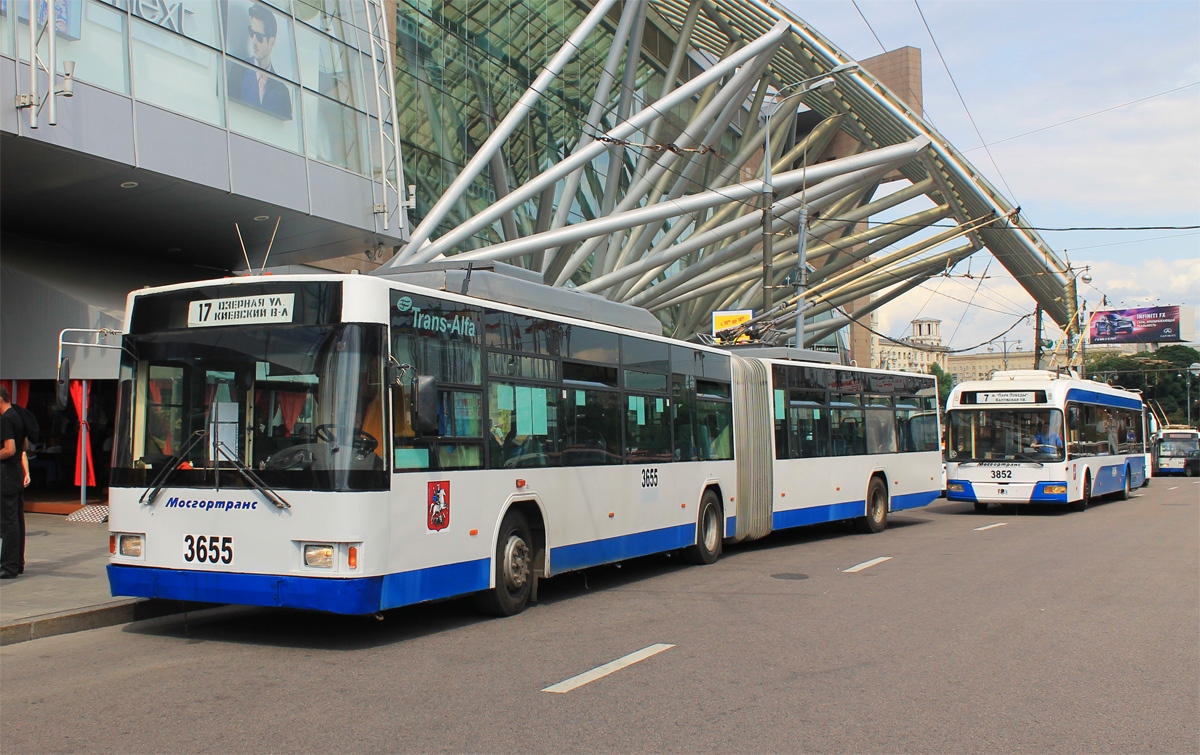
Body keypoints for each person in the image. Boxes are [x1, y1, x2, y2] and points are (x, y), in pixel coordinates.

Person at [227, 4, 292, 120]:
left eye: (260, 37)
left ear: (272, 42)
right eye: (252, 33)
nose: (254, 41)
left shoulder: (282, 91)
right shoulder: (238, 72)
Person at [0, 385, 31, 579]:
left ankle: (9, 566)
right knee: (17, 519)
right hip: (16, 472)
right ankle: (17, 563)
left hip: (6, 474)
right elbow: (24, 446)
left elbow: (9, 449)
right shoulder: (18, 415)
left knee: (7, 521)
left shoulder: (5, 419)